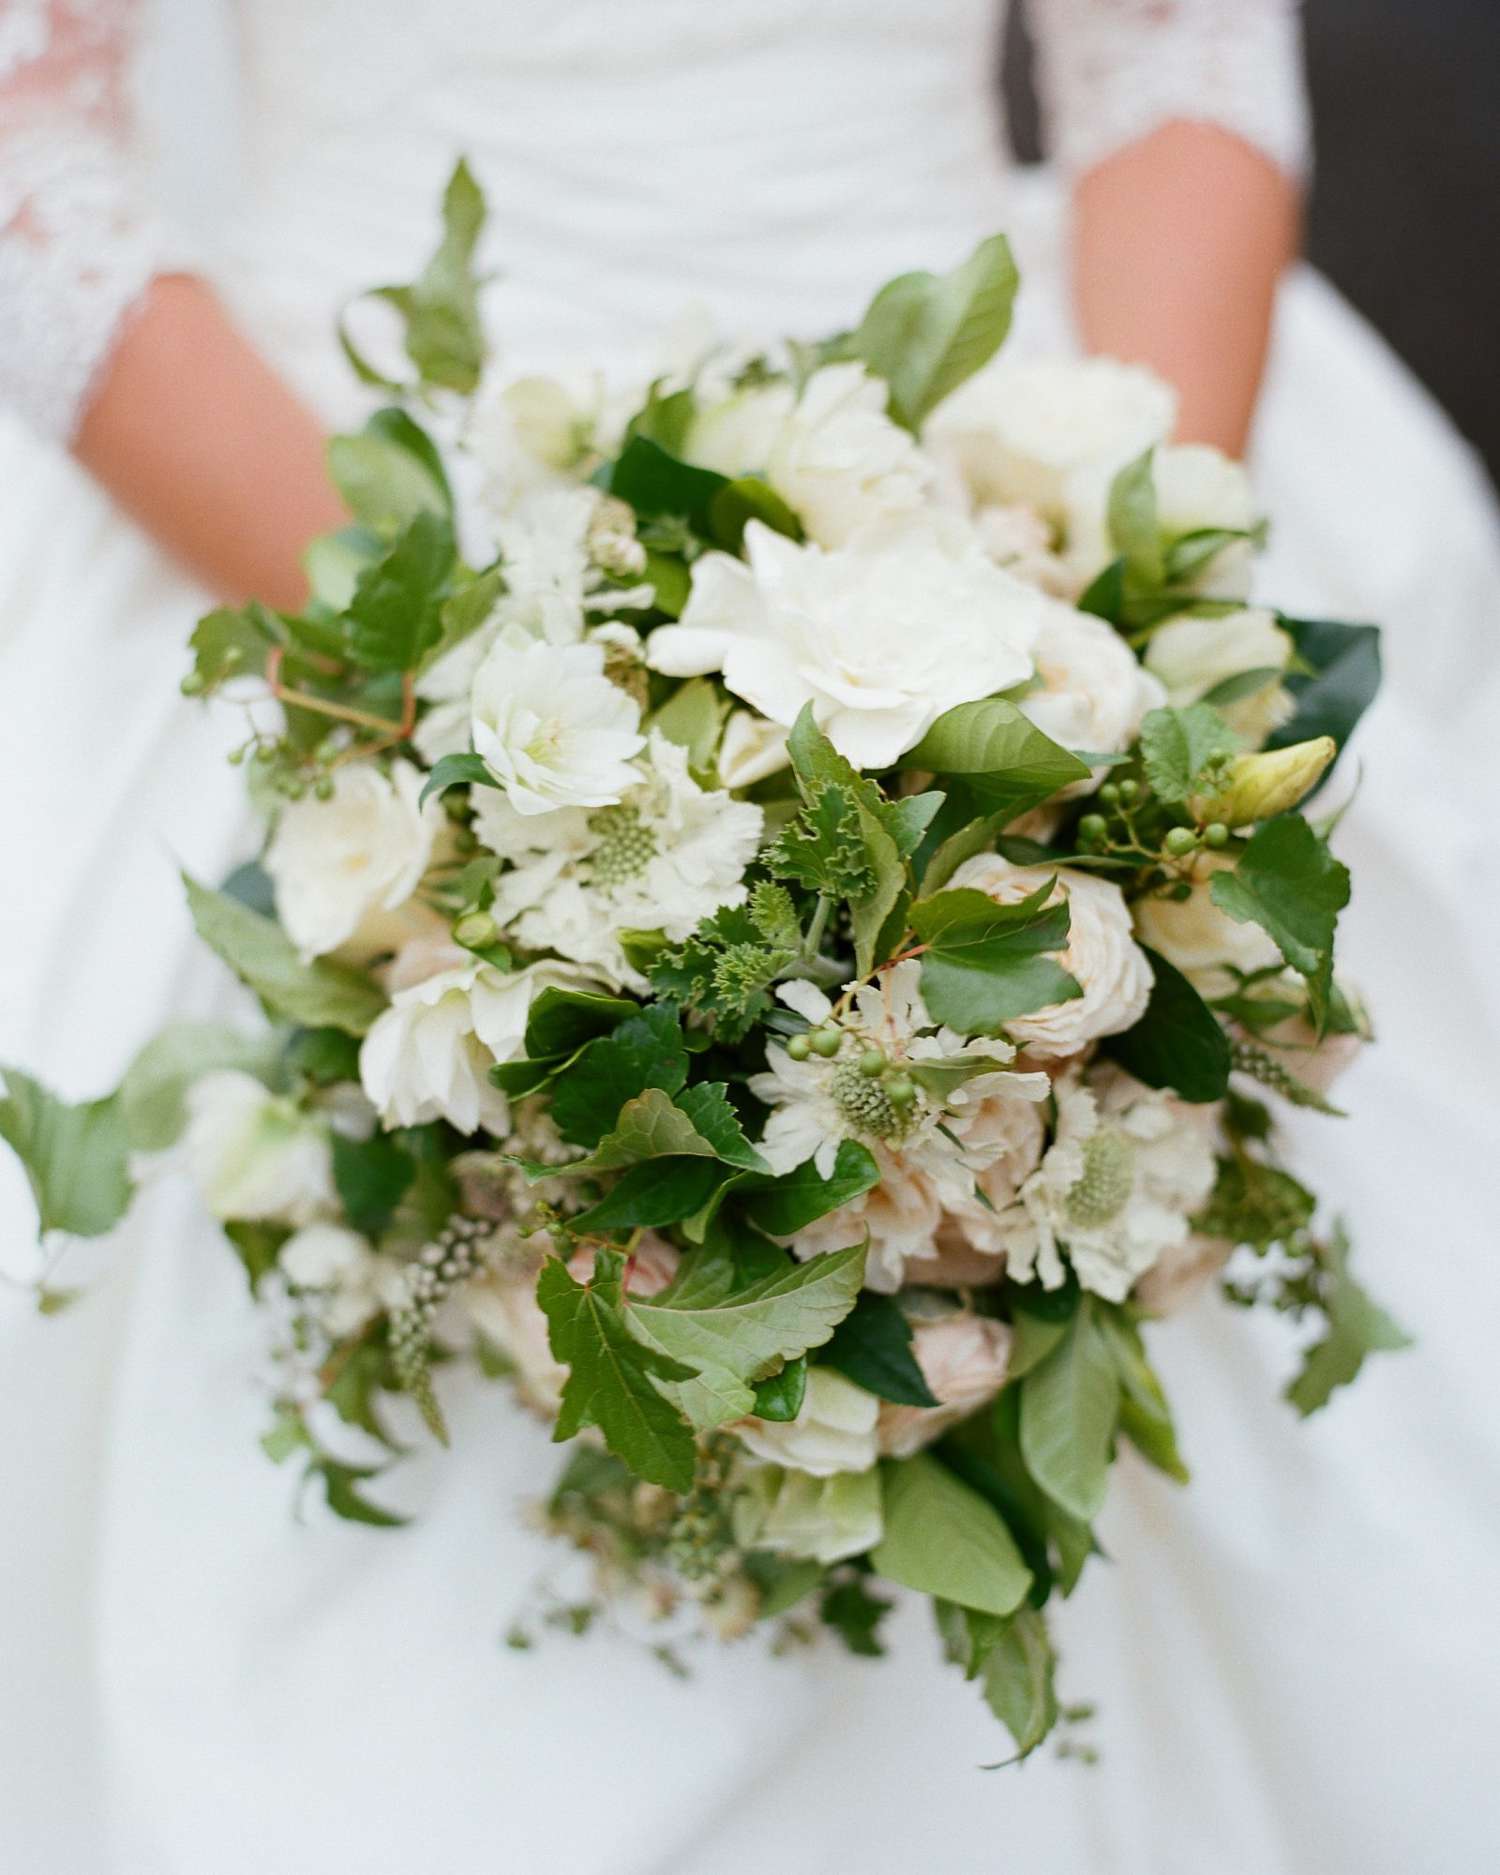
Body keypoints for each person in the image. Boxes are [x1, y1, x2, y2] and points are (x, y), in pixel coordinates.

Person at [1, 3, 1496, 1871]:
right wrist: (476, 737)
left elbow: (1175, 64)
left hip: (994, 479)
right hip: (326, 524)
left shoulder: (1059, 614)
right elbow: (27, 151)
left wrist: (1090, 666)